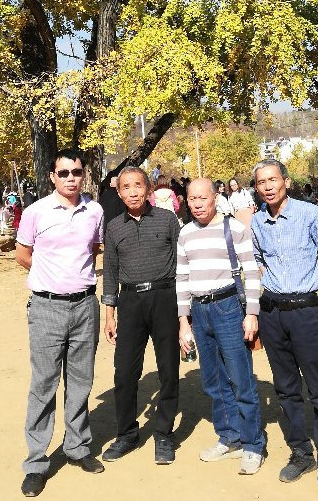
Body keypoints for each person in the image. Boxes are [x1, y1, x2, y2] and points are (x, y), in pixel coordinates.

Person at [15, 150, 105, 497]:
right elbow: (23, 255)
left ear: (84, 175)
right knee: (44, 384)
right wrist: (50, 278)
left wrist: (73, 279)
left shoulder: (94, 210)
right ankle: (37, 462)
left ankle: (78, 447)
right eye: (63, 172)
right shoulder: (36, 212)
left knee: (81, 381)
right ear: (52, 176)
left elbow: (93, 250)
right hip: (46, 308)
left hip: (85, 306)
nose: (70, 177)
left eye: (76, 172)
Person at [251, 159, 318, 490]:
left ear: (286, 182)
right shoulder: (258, 222)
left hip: (306, 311)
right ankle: (300, 453)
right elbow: (259, 261)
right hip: (272, 314)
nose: (267, 186)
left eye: (272, 179)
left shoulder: (309, 214)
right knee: (286, 388)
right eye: (261, 181)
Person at [177, 178, 265, 476]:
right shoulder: (185, 233)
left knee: (241, 378)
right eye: (192, 199)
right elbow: (182, 278)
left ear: (215, 197)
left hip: (228, 307)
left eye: (203, 197)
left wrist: (251, 313)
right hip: (199, 312)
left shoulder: (234, 228)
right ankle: (229, 437)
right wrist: (183, 321)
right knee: (213, 380)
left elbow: (251, 272)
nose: (198, 203)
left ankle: (253, 444)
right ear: (186, 201)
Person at [101, 166, 180, 466]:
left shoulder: (167, 219)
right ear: (118, 192)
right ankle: (126, 433)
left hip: (165, 298)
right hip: (130, 301)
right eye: (126, 187)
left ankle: (164, 433)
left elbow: (181, 262)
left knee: (168, 369)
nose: (132, 191)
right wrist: (110, 314)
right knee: (124, 372)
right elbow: (109, 272)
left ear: (148, 190)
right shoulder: (114, 227)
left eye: (138, 185)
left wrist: (183, 311)